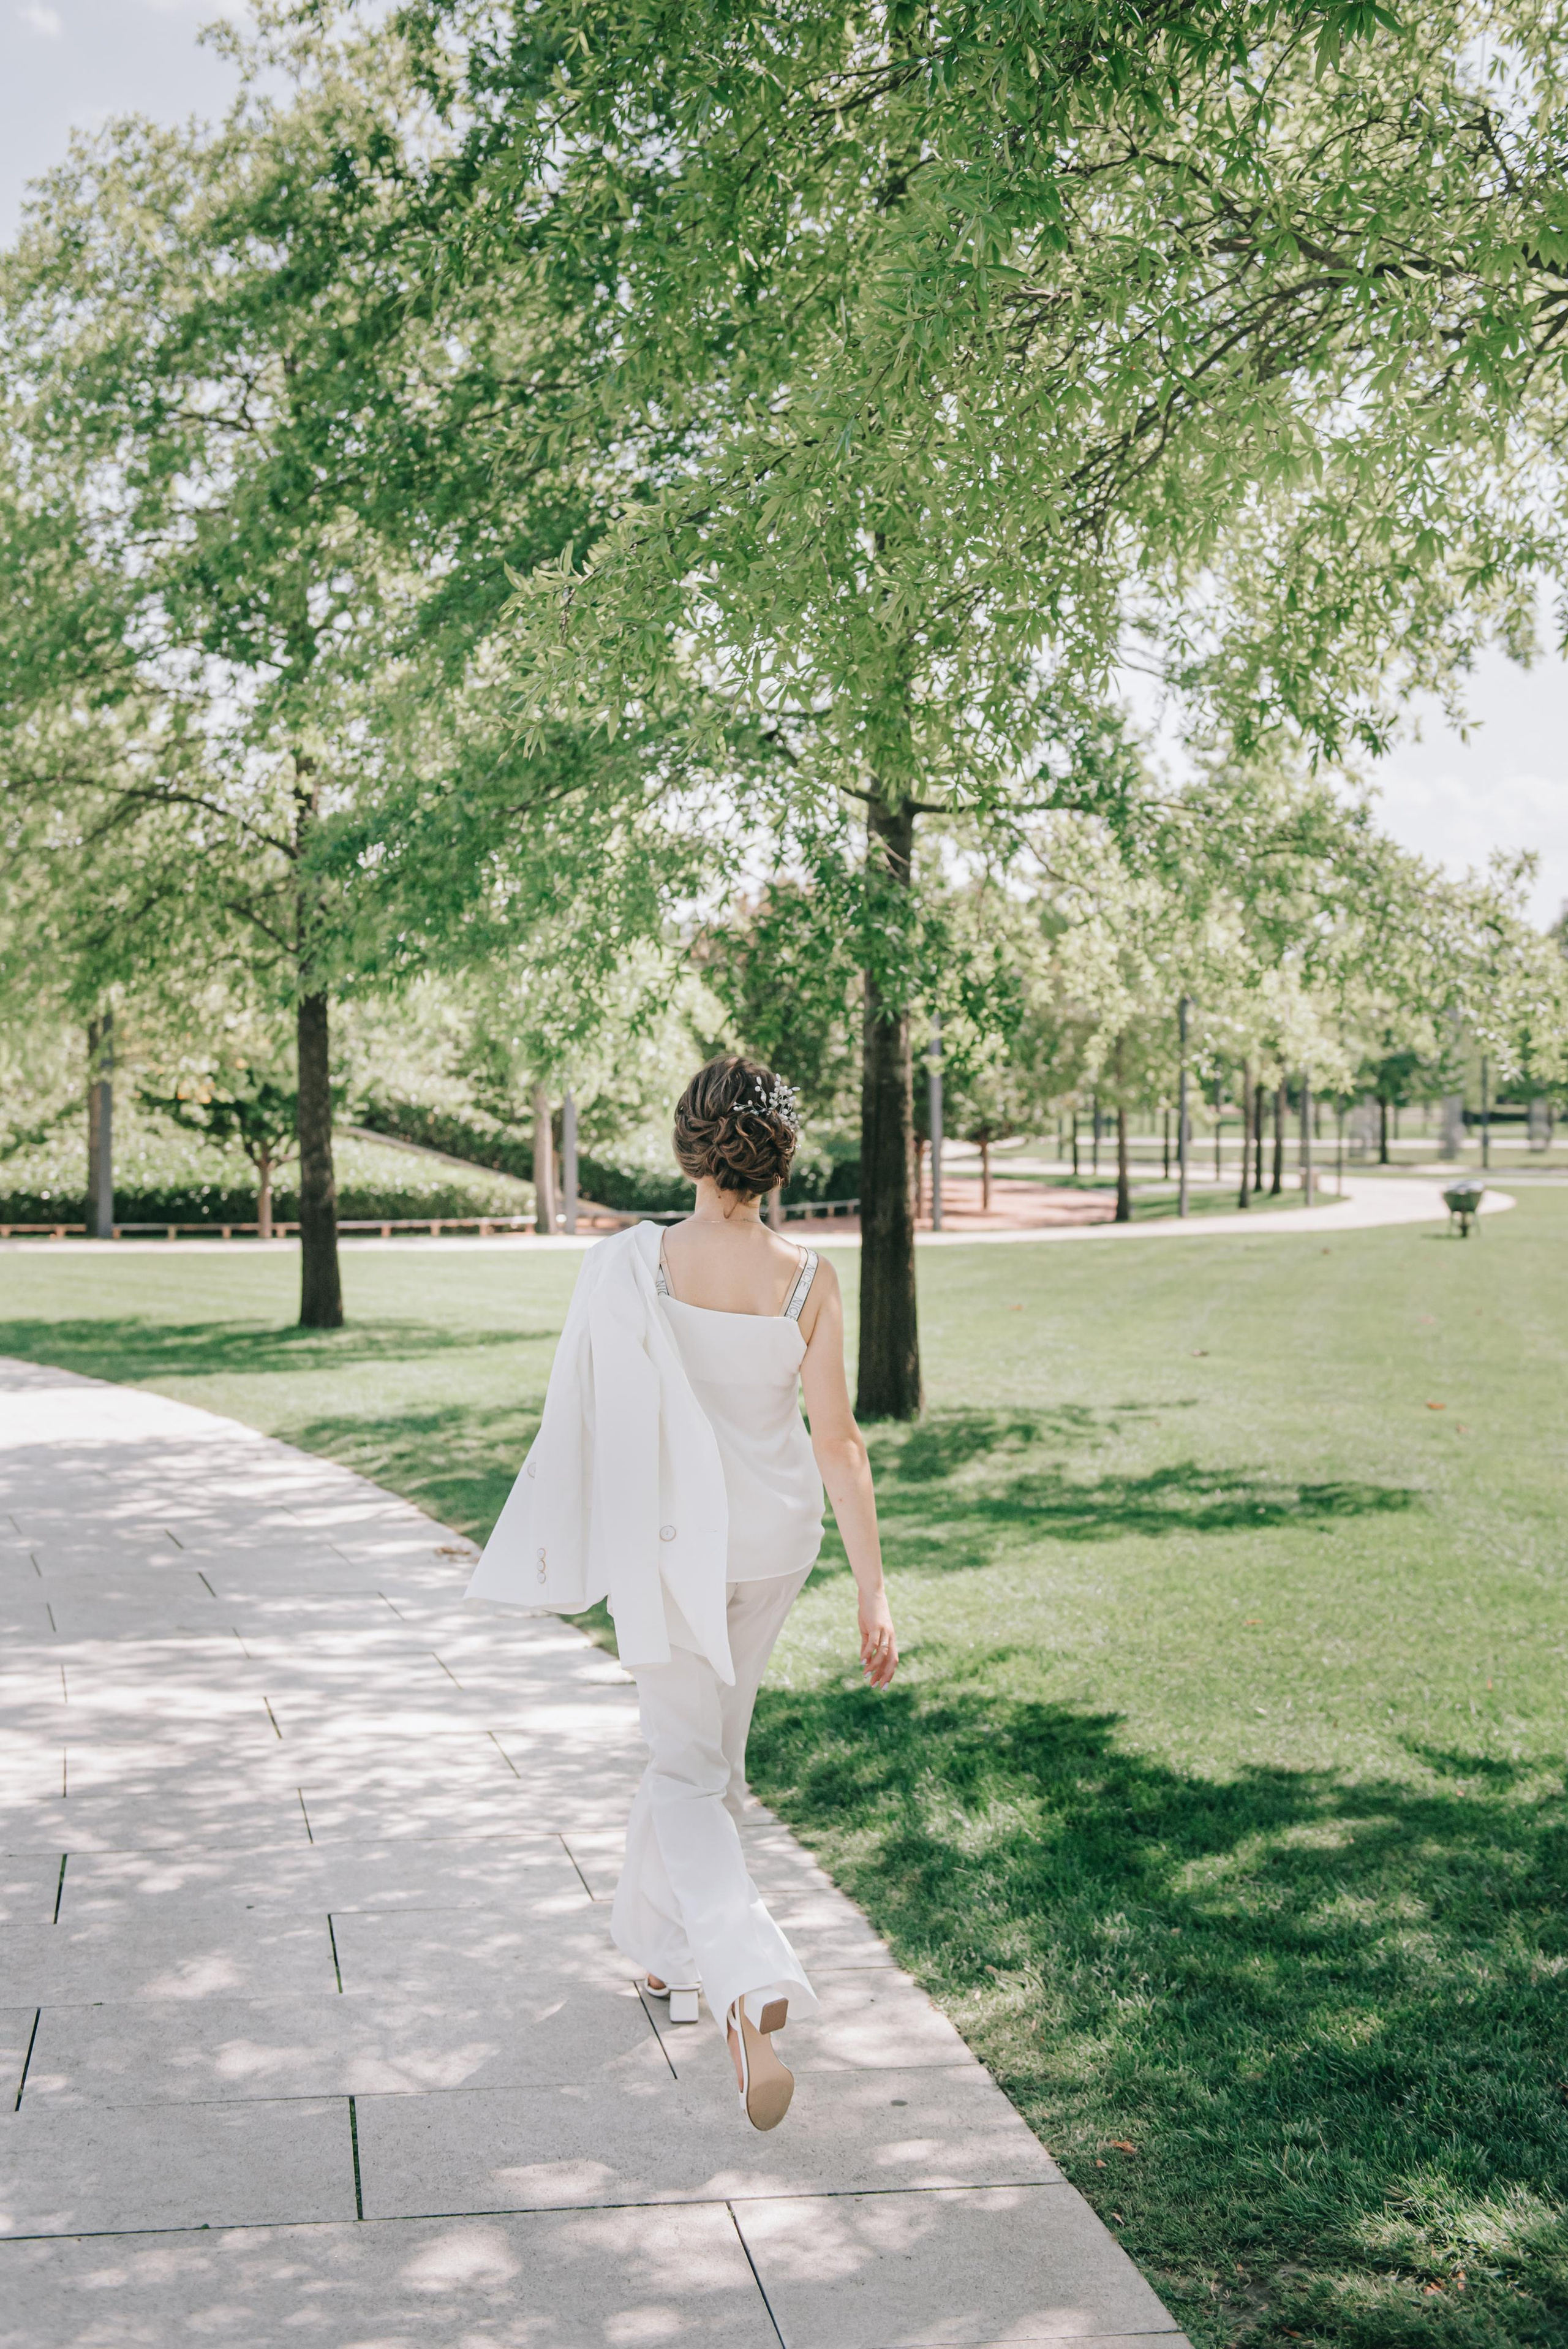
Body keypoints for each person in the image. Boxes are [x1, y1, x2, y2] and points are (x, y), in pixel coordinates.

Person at [466, 1054, 897, 2133]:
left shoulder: (636, 1265)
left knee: (682, 1765)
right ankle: (662, 1956)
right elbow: (839, 1445)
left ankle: (747, 1989)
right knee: (707, 1756)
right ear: (780, 1158)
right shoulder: (808, 1278)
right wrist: (872, 1593)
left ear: (690, 1146)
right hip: (775, 1546)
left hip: (672, 1550)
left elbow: (593, 1413)